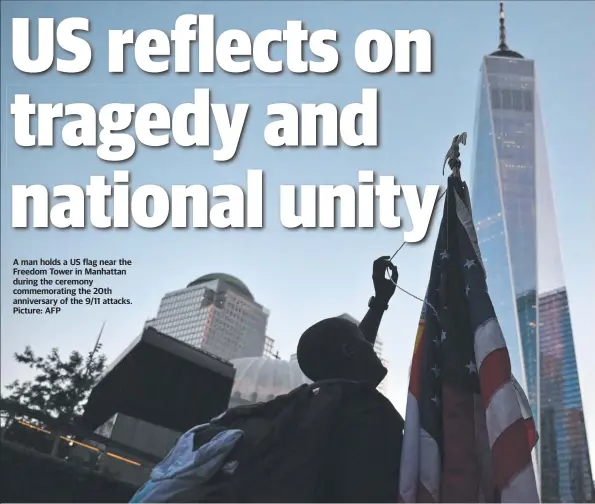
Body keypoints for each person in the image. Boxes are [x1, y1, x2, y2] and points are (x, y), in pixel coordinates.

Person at [296, 256, 404, 503]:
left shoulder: (318, 411)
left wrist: (379, 303)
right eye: (363, 342)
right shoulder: (368, 416)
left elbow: (353, 353)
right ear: (349, 351)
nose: (370, 345)